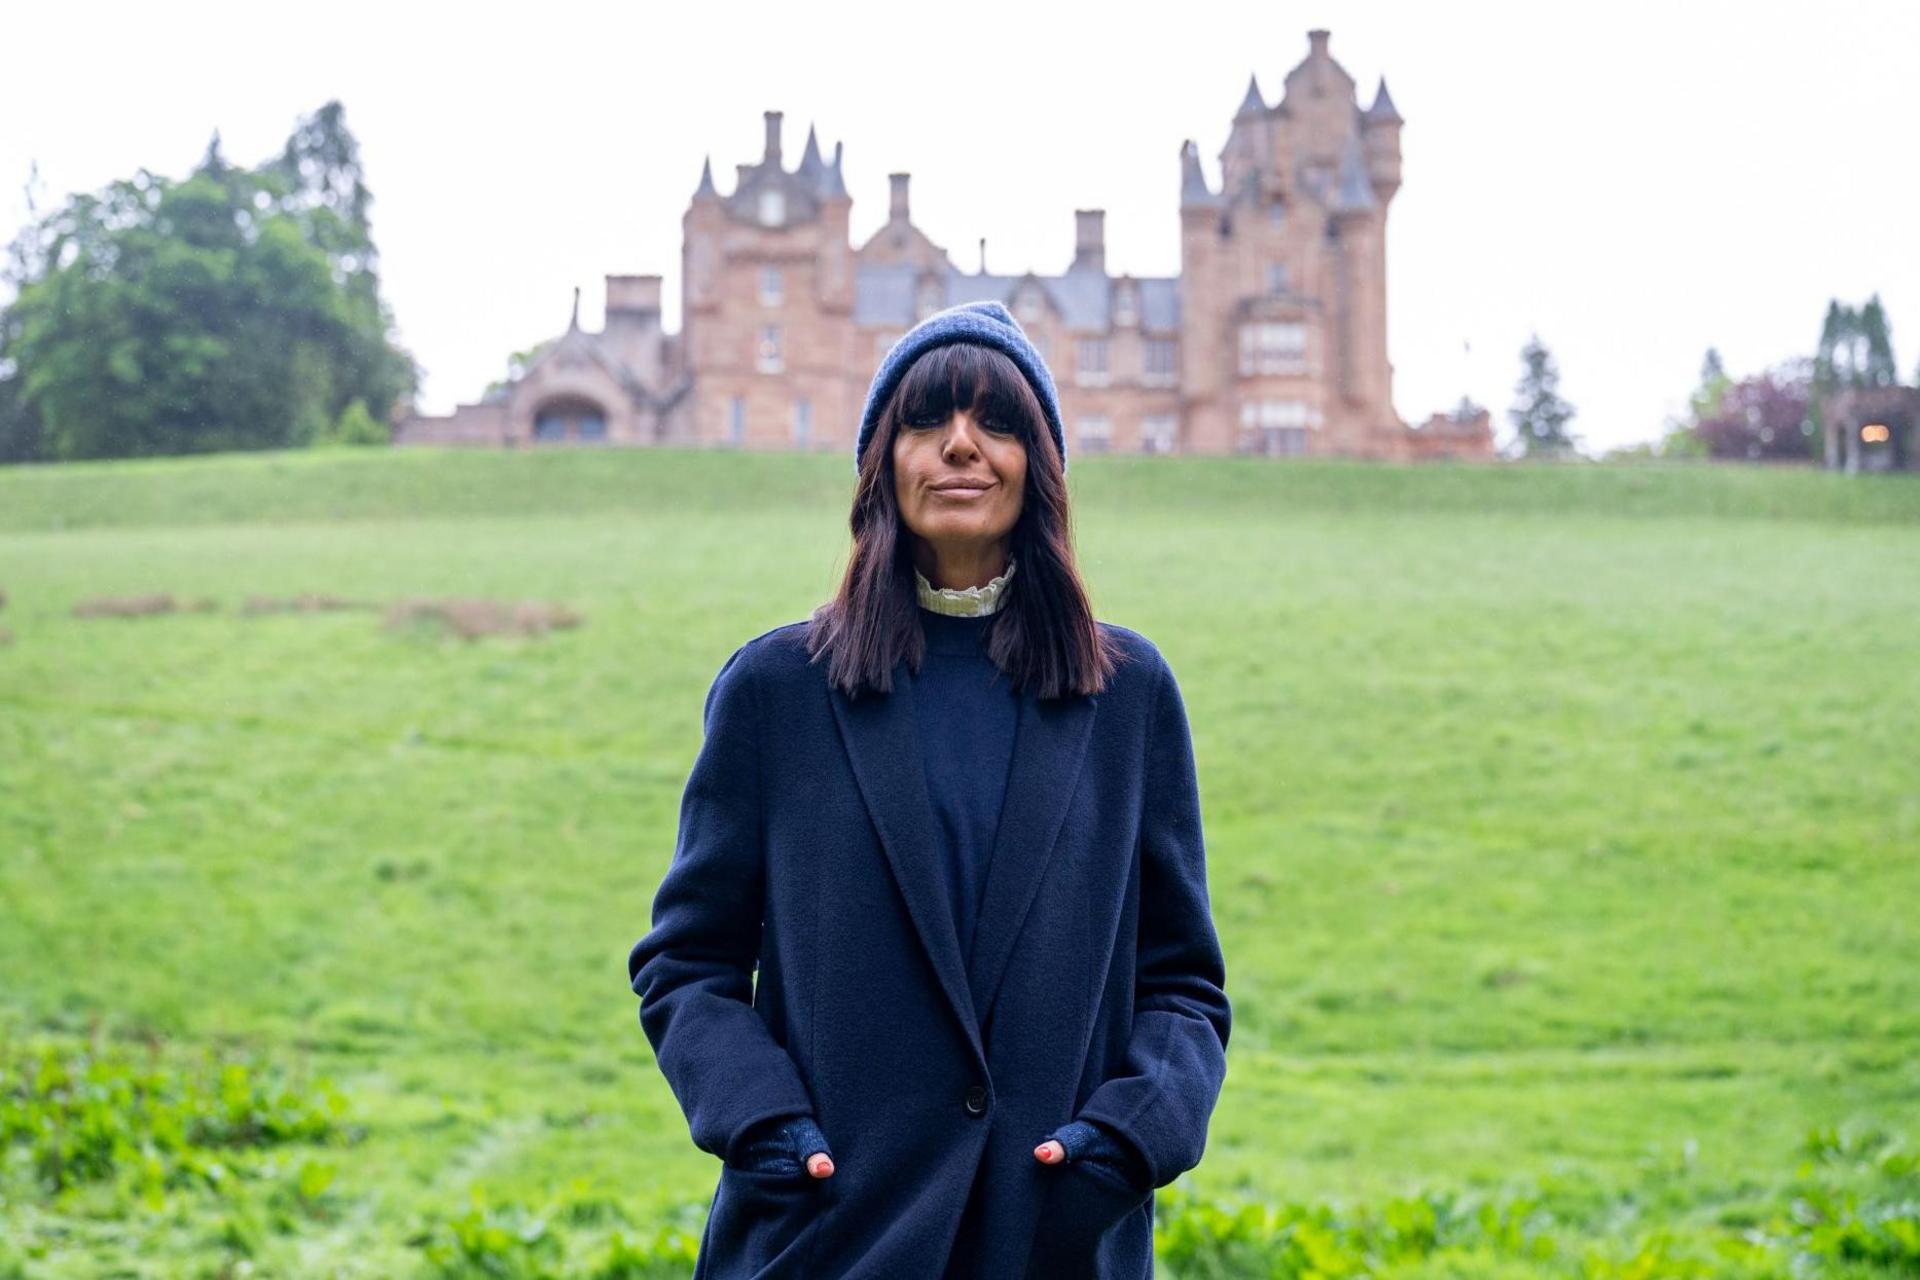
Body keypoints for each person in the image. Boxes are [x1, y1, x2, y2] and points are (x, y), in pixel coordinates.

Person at [627, 300, 1230, 1279]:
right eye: (927, 420)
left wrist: (1122, 1140)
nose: (960, 446)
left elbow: (1184, 988)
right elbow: (687, 965)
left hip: (1050, 1238)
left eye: (995, 422)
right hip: (827, 1236)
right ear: (882, 461)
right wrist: (765, 1124)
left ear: (1039, 465)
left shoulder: (1129, 696)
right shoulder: (777, 691)